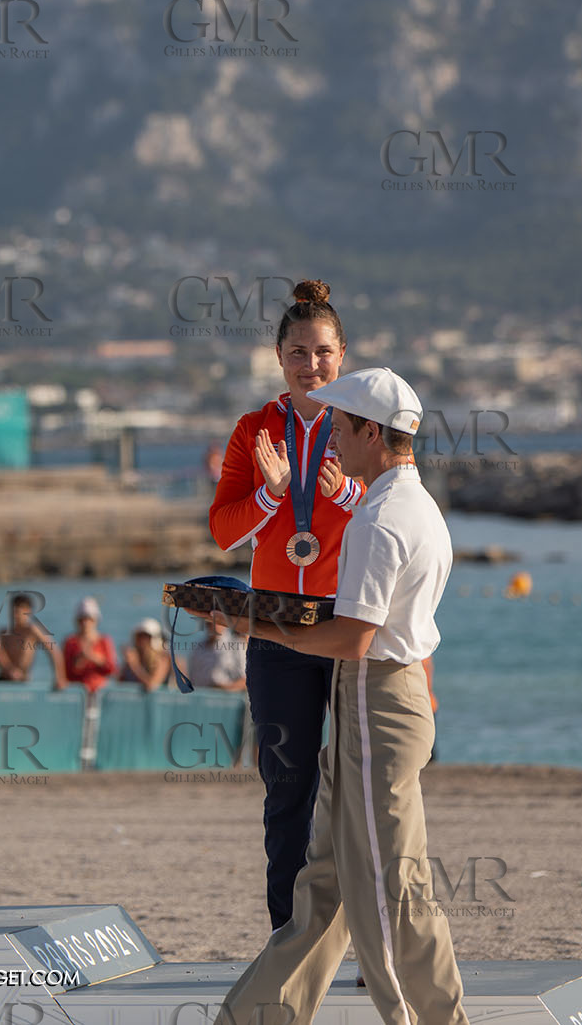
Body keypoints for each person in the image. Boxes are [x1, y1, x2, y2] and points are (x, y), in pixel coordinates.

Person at [202, 367, 467, 1025]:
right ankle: (257, 1015)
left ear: (371, 431)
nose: (333, 444)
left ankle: (433, 1018)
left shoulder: (380, 516)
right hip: (378, 699)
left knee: (389, 885)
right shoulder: (416, 505)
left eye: (342, 429)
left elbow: (352, 638)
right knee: (323, 882)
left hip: (375, 700)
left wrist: (254, 623)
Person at [208, 278, 366, 934]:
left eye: (324, 351)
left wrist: (351, 491)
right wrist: (273, 497)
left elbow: (406, 509)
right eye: (299, 352)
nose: (313, 364)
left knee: (359, 789)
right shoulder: (254, 429)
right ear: (280, 357)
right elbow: (223, 530)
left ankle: (368, 934)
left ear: (344, 354)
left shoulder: (363, 424)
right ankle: (287, 933)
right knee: (286, 791)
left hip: (344, 619)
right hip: (274, 627)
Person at [0, 593, 60, 684]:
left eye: (19, 611)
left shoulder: (32, 631)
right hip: (4, 679)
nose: (16, 615)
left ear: (28, 611)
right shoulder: (4, 634)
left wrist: (59, 677)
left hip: (23, 680)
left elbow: (54, 652)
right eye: (14, 611)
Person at [58, 596, 117, 693]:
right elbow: (64, 672)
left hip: (99, 692)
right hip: (77, 693)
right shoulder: (70, 642)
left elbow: (112, 669)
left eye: (89, 619)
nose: (85, 623)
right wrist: (78, 661)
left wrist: (93, 657)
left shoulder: (104, 641)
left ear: (96, 620)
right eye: (82, 620)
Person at [184, 618, 248, 692]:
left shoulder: (238, 646)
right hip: (202, 697)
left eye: (217, 622)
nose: (214, 625)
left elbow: (246, 680)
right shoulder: (198, 648)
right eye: (210, 622)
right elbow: (192, 680)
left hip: (230, 699)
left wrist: (223, 690)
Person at [121, 619, 174, 691]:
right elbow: (120, 683)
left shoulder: (162, 659)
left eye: (146, 637)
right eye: (140, 637)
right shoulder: (134, 658)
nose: (142, 641)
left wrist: (134, 666)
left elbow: (151, 685)